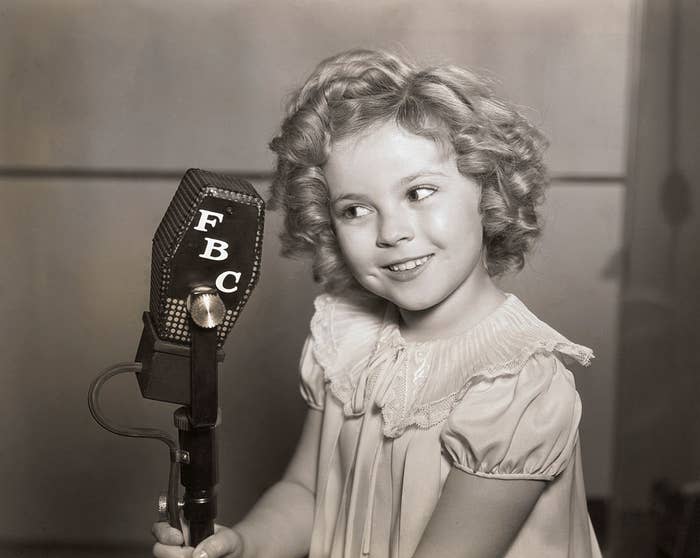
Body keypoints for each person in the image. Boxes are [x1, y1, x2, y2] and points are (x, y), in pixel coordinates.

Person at [152, 48, 602, 558]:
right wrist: (244, 544)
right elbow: (308, 493)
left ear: (488, 187)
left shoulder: (516, 385)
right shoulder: (348, 336)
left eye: (419, 192)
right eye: (356, 209)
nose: (391, 232)